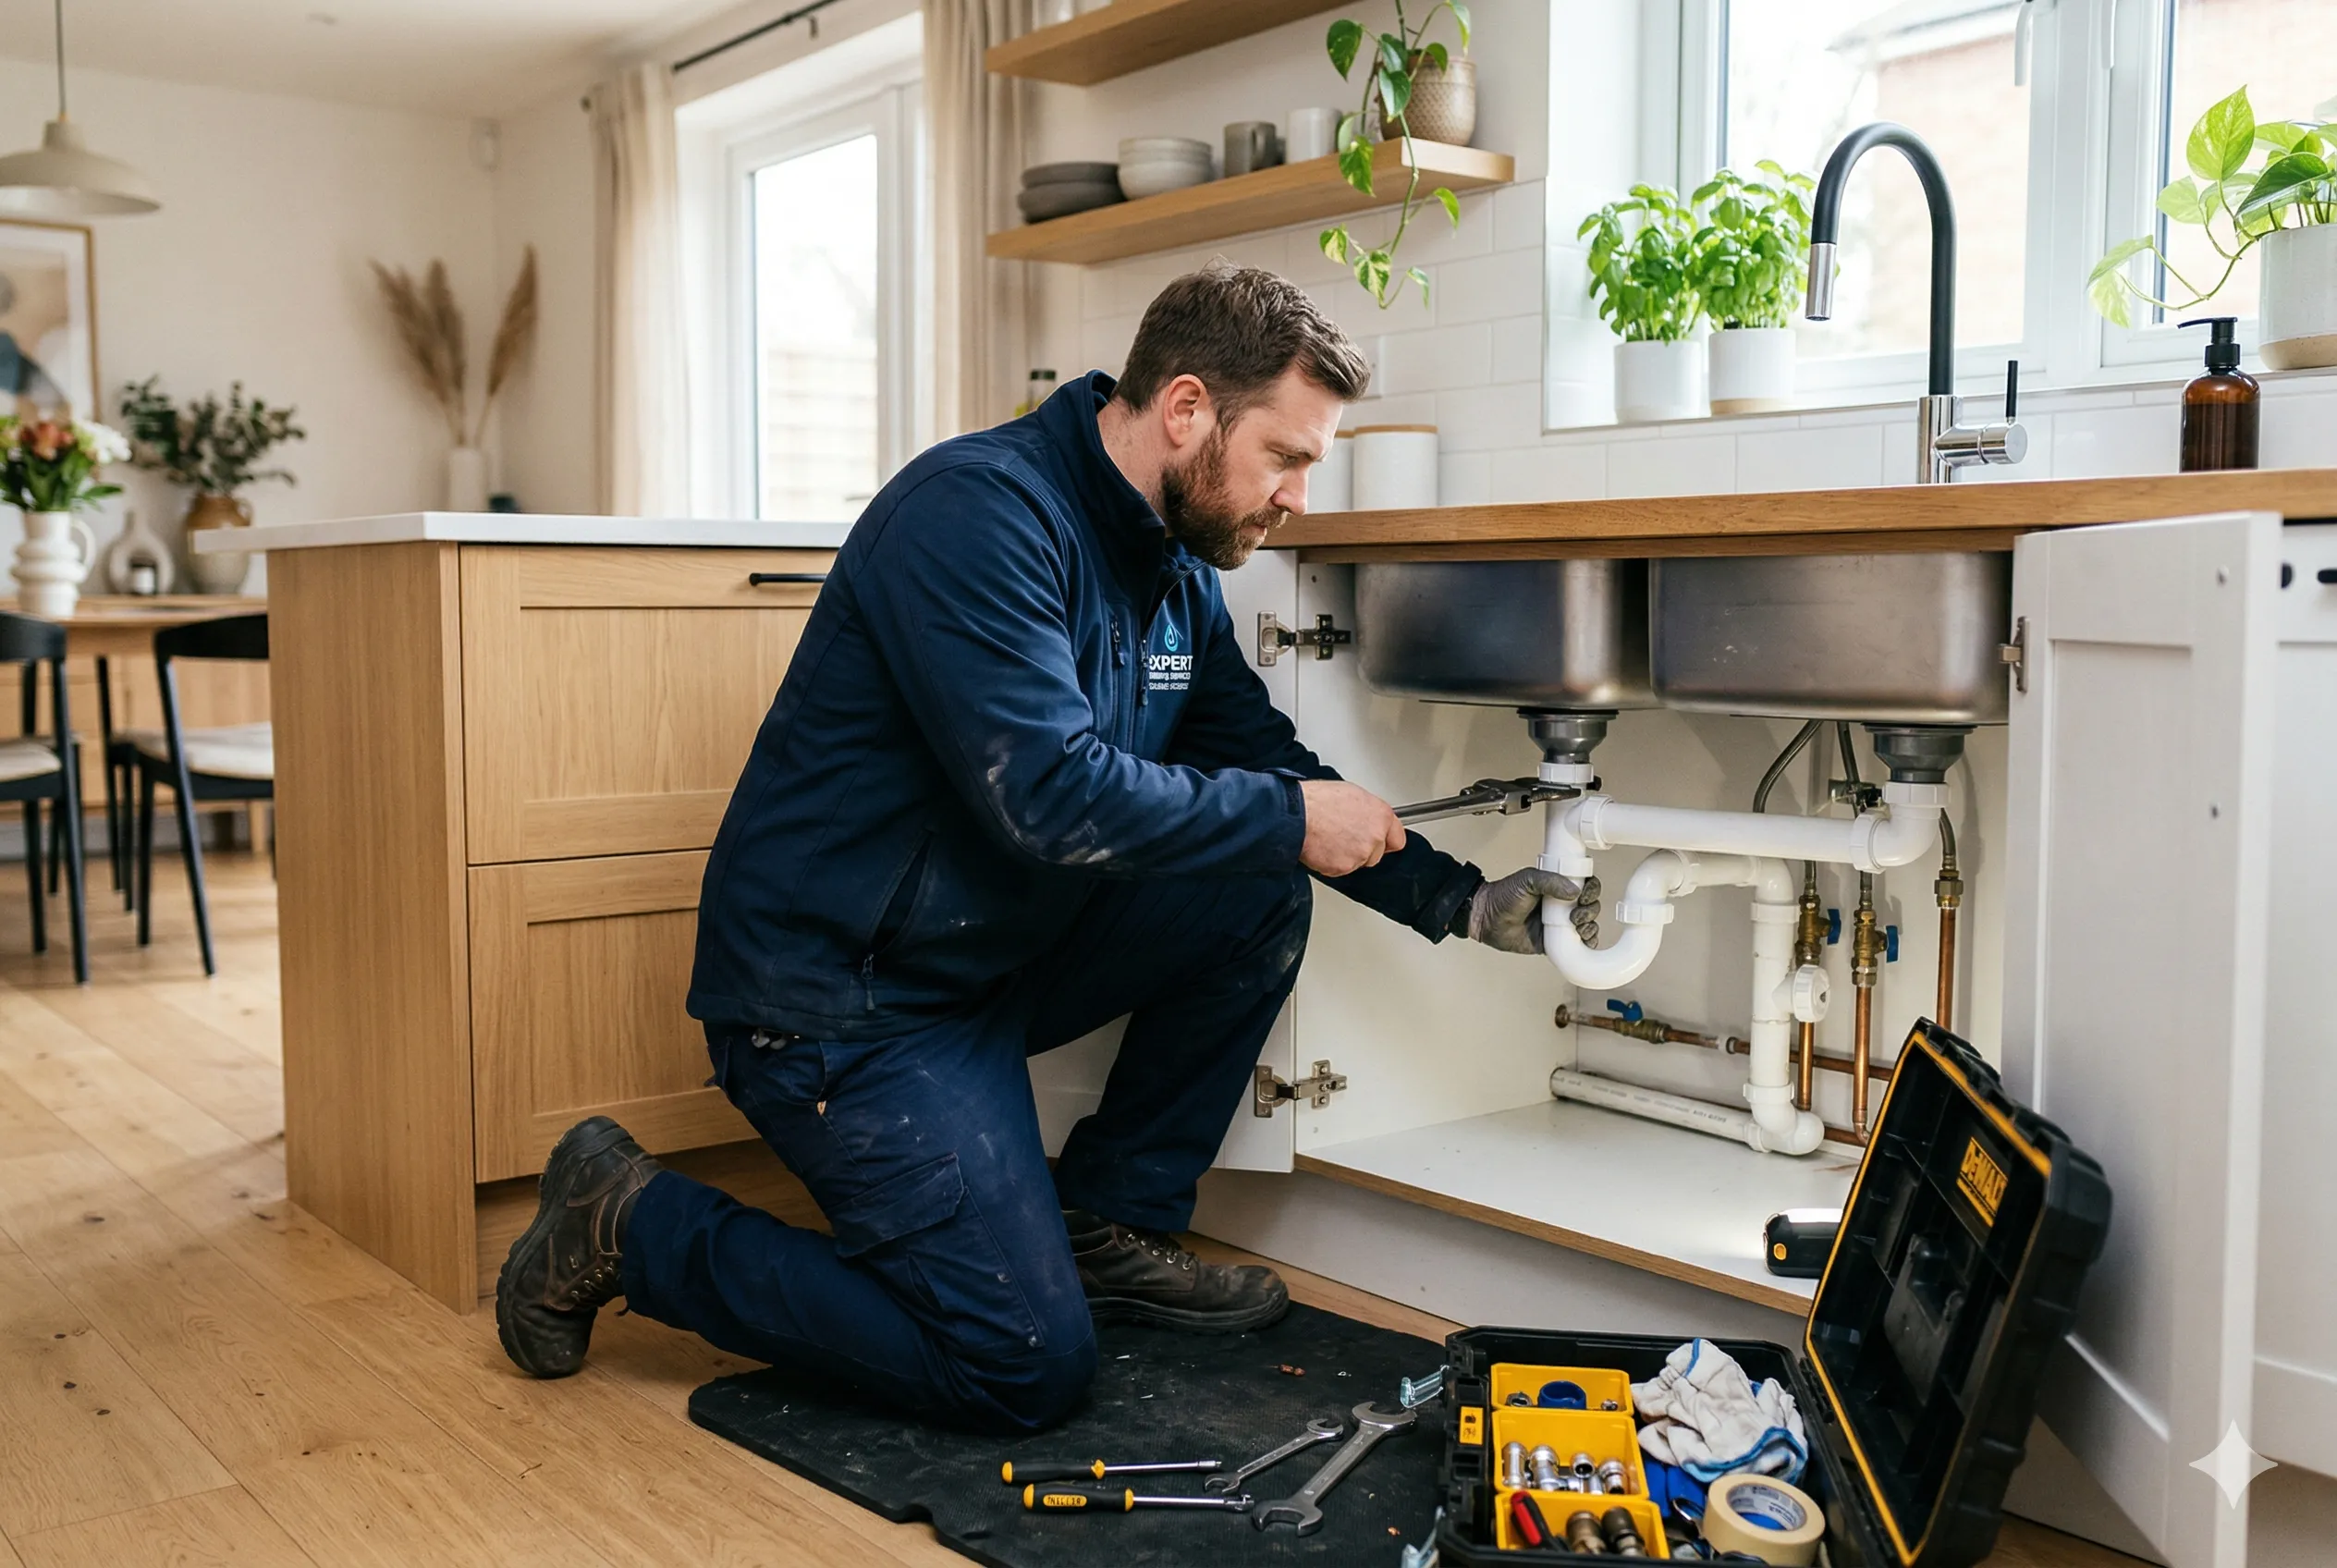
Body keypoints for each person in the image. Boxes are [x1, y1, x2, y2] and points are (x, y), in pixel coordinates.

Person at [495, 262, 1578, 1430]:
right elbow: (1049, 798)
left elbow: (1262, 765)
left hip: (987, 959)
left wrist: (1457, 900)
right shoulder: (976, 514)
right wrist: (1288, 818)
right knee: (1018, 1368)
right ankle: (626, 1216)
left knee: (1253, 890)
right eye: (1287, 455)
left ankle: (1108, 1222)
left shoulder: (1171, 568)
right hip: (841, 1001)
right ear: (1185, 410)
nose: (1298, 498)